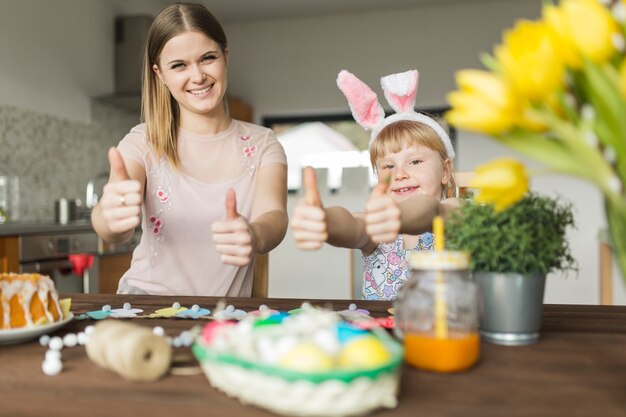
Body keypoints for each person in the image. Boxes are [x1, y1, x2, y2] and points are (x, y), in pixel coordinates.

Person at [91, 3, 288, 296]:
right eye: (179, 65)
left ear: (225, 57)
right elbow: (111, 227)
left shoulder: (263, 144)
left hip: (224, 316)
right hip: (144, 305)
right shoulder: (141, 142)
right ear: (160, 74)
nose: (197, 76)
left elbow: (274, 215)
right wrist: (110, 218)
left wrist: (254, 234)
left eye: (207, 58)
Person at [291, 69, 463, 300]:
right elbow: (353, 224)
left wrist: (398, 216)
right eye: (388, 166)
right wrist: (326, 220)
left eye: (414, 161)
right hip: (381, 335)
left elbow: (432, 211)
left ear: (445, 170)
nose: (400, 174)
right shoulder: (376, 226)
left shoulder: (455, 210)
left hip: (448, 334)